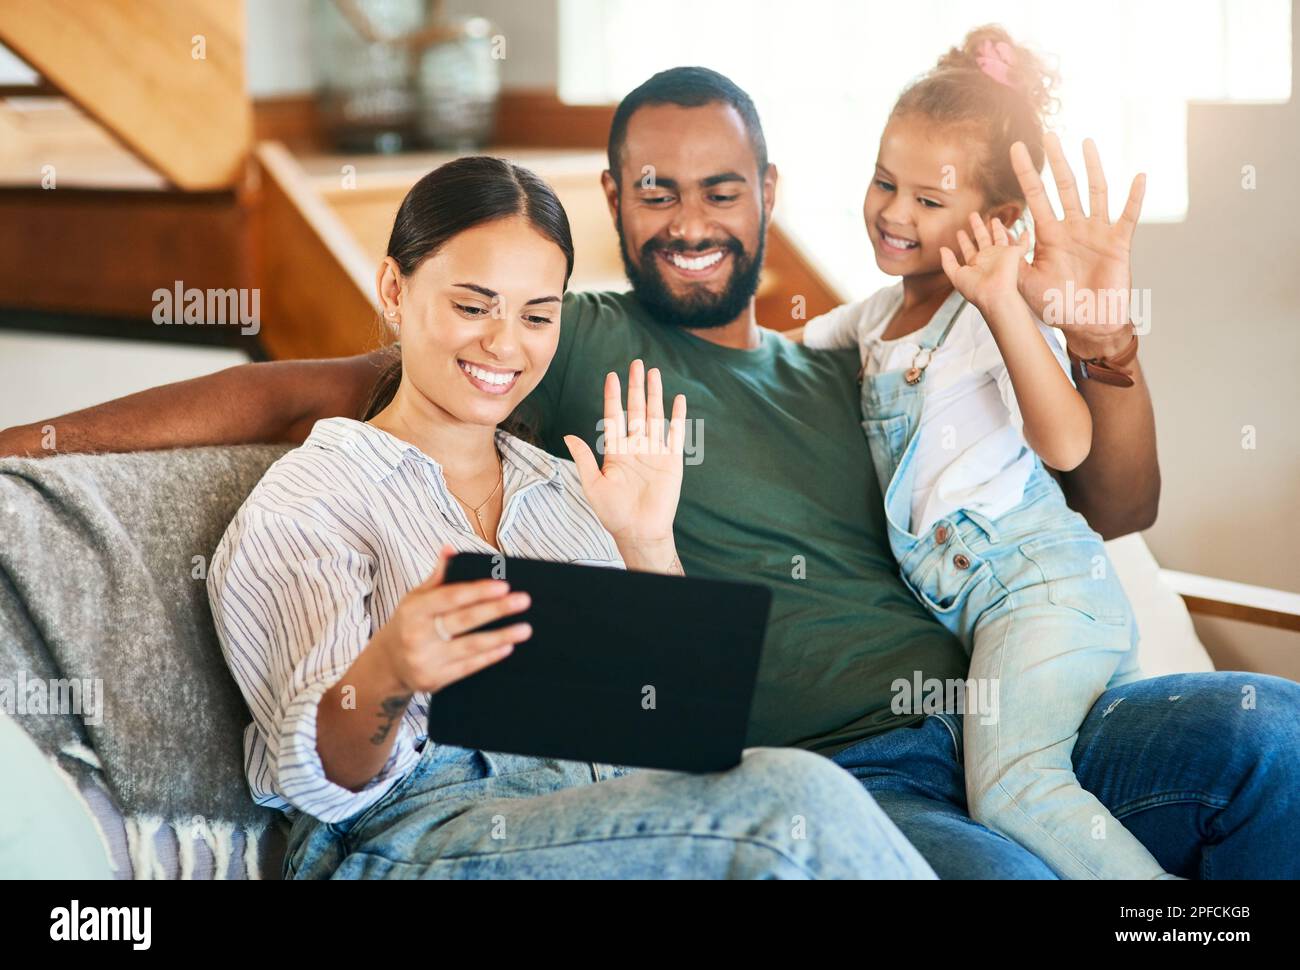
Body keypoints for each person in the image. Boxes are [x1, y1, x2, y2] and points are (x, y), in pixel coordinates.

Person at [4, 67, 1297, 880]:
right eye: (655, 191)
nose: (689, 219)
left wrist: (1102, 339)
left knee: (1266, 735)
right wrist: (29, 446)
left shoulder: (852, 354)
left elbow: (1115, 505)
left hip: (1010, 721)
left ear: (772, 194)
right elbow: (313, 391)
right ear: (615, 202)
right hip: (842, 774)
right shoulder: (571, 346)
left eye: (722, 190)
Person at [205, 154, 931, 879]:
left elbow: (689, 732)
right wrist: (392, 668)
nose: (505, 343)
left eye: (537, 315)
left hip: (595, 825)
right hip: (411, 841)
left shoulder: (564, 490)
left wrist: (647, 545)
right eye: (472, 306)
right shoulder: (315, 497)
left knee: (788, 787)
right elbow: (318, 777)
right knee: (794, 799)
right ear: (395, 290)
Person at [790, 26, 1170, 879]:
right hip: (994, 618)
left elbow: (1068, 441)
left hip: (1040, 592)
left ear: (998, 222)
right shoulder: (877, 316)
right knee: (1070, 792)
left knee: (1012, 794)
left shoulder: (994, 317)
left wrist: (1002, 300)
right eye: (885, 182)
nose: (894, 213)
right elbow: (782, 350)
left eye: (930, 200)